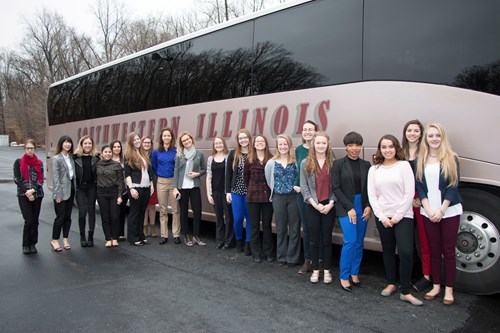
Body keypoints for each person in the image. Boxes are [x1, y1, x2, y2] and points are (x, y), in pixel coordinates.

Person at [367, 134, 422, 306]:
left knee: (406, 252)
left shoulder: (404, 166)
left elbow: (409, 193)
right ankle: (391, 282)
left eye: (390, 146)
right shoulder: (374, 170)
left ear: (396, 148)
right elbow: (372, 196)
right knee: (388, 251)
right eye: (384, 147)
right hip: (383, 217)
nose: (387, 150)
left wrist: (397, 216)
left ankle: (405, 291)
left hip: (403, 216)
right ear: (380, 150)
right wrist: (382, 217)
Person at [416, 123, 463, 306]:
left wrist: (441, 210)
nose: (434, 139)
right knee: (434, 250)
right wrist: (428, 210)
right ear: (426, 139)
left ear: (442, 138)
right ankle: (436, 286)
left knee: (448, 252)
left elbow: (453, 185)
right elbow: (420, 186)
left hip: (448, 211)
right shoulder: (421, 159)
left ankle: (449, 290)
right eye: (430, 136)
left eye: (437, 135)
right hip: (428, 212)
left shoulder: (452, 158)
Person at [332, 132, 372, 291]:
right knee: (350, 240)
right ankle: (344, 275)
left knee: (359, 242)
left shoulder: (367, 165)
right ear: (346, 146)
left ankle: (355, 273)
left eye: (357, 145)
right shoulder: (338, 164)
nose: (354, 148)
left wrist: (369, 206)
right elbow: (336, 188)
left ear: (361, 146)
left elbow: (370, 188)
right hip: (345, 206)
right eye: (350, 145)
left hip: (362, 206)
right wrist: (349, 208)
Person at [300, 132, 336, 283]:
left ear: (328, 145)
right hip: (312, 205)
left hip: (329, 205)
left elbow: (336, 187)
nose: (321, 146)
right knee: (314, 240)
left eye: (324, 143)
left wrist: (330, 204)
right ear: (313, 145)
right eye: (318, 143)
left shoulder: (333, 162)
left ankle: (327, 271)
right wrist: (315, 204)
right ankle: (315, 270)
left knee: (327, 239)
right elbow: (304, 187)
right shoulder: (305, 163)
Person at [402, 120, 432, 292]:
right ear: (405, 133)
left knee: (423, 240)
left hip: (420, 202)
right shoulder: (401, 152)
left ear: (421, 134)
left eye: (416, 131)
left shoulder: (426, 153)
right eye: (409, 130)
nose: (412, 133)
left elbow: (428, 179)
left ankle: (427, 276)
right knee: (406, 240)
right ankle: (408, 273)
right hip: (405, 204)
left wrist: (421, 198)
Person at [265, 134, 301, 267]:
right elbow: (269, 180)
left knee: (294, 228)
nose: (283, 146)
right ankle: (282, 256)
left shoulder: (296, 161)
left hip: (294, 197)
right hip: (278, 198)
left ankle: (293, 258)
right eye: (280, 144)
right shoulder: (271, 163)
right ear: (277, 146)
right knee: (280, 228)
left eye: (285, 144)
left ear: (289, 145)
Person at [173, 131, 207, 247]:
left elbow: (204, 169)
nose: (186, 142)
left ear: (191, 139)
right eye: (184, 141)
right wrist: (175, 188)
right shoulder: (179, 155)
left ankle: (196, 235)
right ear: (182, 143)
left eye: (188, 139)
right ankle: (186, 235)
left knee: (197, 211)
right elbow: (176, 171)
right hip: (182, 187)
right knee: (183, 212)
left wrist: (197, 174)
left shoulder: (199, 154)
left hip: (194, 186)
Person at [295, 120, 320, 274]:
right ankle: (308, 260)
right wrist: (295, 184)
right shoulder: (298, 150)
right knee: (307, 228)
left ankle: (321, 261)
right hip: (303, 195)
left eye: (310, 129)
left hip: (320, 196)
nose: (307, 132)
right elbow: (296, 171)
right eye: (305, 129)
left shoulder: (323, 147)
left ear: (316, 131)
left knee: (320, 229)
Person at [244, 135, 273, 263]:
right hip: (253, 197)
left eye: (262, 141)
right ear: (254, 144)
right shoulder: (249, 160)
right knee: (254, 226)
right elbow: (246, 178)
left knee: (267, 226)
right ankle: (256, 252)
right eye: (257, 141)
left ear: (265, 144)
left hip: (267, 198)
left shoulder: (271, 159)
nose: (260, 143)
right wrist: (251, 188)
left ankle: (268, 252)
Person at [151, 128, 181, 245]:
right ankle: (164, 235)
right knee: (163, 209)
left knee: (175, 209)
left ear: (172, 137)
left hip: (174, 182)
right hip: (161, 182)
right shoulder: (156, 152)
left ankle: (176, 234)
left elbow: (178, 167)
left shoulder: (176, 151)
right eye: (164, 136)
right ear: (161, 137)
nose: (166, 138)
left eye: (169, 136)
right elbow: (154, 166)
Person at [226, 129, 254, 254]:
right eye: (240, 138)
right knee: (237, 218)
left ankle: (248, 244)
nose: (243, 140)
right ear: (238, 140)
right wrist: (228, 192)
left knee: (250, 218)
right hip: (236, 191)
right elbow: (228, 174)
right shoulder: (233, 154)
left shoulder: (254, 153)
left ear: (249, 138)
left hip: (251, 192)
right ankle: (239, 241)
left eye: (245, 137)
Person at [14, 139, 44, 254]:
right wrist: (27, 192)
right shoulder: (18, 162)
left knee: (35, 220)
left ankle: (33, 243)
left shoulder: (39, 163)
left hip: (37, 194)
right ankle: (26, 244)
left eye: (32, 148)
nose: (30, 150)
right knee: (29, 220)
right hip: (23, 195)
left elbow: (41, 180)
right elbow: (17, 179)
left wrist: (33, 190)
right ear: (24, 149)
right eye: (28, 148)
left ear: (35, 149)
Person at [124, 132, 154, 246]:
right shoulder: (128, 155)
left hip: (146, 187)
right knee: (134, 213)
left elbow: (148, 172)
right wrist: (131, 188)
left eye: (138, 139)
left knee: (142, 212)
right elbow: (127, 174)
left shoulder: (143, 154)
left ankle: (141, 236)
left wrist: (151, 184)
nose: (137, 141)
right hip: (136, 187)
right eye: (134, 139)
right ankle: (133, 237)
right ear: (131, 142)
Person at [206, 136, 235, 249]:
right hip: (215, 192)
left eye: (220, 143)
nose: (218, 145)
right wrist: (209, 194)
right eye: (216, 143)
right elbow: (209, 176)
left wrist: (230, 192)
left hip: (226, 192)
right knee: (218, 217)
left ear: (224, 144)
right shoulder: (210, 159)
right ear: (214, 145)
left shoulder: (229, 157)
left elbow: (231, 175)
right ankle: (220, 240)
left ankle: (229, 241)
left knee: (228, 217)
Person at [51, 135, 76, 252]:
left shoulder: (71, 157)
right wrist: (57, 195)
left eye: (69, 142)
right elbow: (55, 179)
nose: (67, 144)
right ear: (61, 144)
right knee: (60, 217)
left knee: (68, 217)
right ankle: (55, 240)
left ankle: (65, 238)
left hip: (71, 190)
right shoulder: (56, 159)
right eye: (65, 142)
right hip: (61, 192)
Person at [96, 145, 125, 248]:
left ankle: (115, 238)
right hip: (101, 193)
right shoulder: (97, 164)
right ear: (102, 153)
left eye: (109, 152)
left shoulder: (116, 165)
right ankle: (108, 238)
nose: (107, 154)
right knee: (105, 217)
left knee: (115, 216)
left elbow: (121, 181)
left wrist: (120, 195)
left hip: (114, 192)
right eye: (105, 152)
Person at [74, 135, 99, 247]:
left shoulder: (96, 158)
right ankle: (82, 236)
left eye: (90, 143)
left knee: (92, 211)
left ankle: (90, 236)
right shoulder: (75, 158)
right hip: (80, 188)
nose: (88, 145)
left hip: (92, 187)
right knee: (82, 212)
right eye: (85, 143)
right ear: (81, 144)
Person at [110, 139, 128, 242]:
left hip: (124, 190)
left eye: (118, 147)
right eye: (115, 147)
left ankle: (121, 234)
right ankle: (113, 234)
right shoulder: (108, 159)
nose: (117, 148)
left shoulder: (124, 160)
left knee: (122, 213)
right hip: (113, 191)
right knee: (114, 213)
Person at [142, 135, 158, 238]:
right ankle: (144, 228)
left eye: (149, 143)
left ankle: (152, 228)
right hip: (142, 184)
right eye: (145, 142)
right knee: (144, 207)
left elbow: (155, 169)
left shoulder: (154, 154)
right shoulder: (139, 155)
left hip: (153, 183)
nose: (147, 144)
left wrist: (153, 182)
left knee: (152, 206)